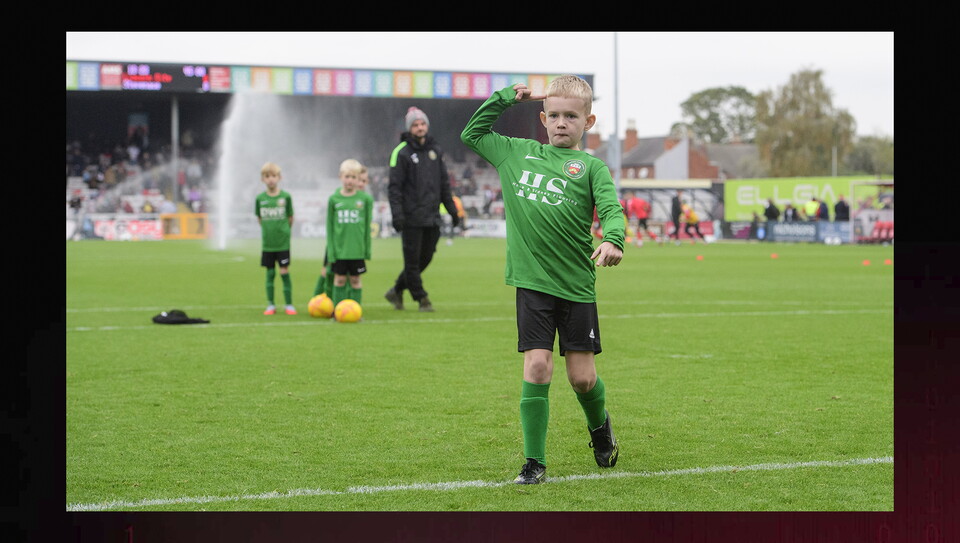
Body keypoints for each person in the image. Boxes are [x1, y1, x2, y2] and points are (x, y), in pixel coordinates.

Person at [461, 75, 624, 485]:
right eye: (554, 115)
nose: (561, 123)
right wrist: (504, 98)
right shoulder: (515, 153)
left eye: (571, 116)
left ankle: (599, 428)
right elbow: (472, 133)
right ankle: (534, 462)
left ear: (588, 121)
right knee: (537, 367)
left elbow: (611, 209)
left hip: (576, 287)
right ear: (542, 118)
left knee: (582, 378)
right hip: (532, 284)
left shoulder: (592, 168)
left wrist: (613, 240)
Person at [385, 106, 460, 312]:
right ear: (410, 129)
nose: (420, 127)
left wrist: (453, 211)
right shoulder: (401, 153)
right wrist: (397, 215)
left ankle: (396, 290)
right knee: (412, 262)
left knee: (424, 259)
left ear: (427, 125)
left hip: (432, 216)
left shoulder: (436, 151)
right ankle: (422, 299)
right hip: (410, 218)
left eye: (422, 123)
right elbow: (394, 188)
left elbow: (444, 184)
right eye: (415, 125)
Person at [326, 159, 374, 309]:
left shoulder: (364, 200)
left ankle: (355, 311)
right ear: (340, 176)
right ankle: (337, 311)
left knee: (355, 280)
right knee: (339, 280)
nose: (350, 181)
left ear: (359, 179)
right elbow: (330, 227)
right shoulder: (334, 199)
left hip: (357, 251)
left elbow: (366, 227)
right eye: (347, 177)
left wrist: (367, 250)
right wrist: (331, 252)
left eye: (354, 177)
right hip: (340, 251)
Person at [255, 162, 296, 315]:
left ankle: (289, 305)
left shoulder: (285, 197)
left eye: (273, 176)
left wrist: (283, 231)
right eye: (267, 176)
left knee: (284, 271)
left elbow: (291, 217)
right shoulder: (260, 198)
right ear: (262, 179)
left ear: (279, 177)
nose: (270, 179)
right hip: (268, 244)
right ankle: (271, 305)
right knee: (270, 273)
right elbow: (259, 218)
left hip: (282, 243)